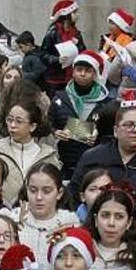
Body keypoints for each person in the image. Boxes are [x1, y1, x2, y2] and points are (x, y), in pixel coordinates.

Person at [0, 85, 60, 207]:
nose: (12, 125)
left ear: (32, 126)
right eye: (10, 120)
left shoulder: (48, 157)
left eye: (19, 121)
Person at [47, 50, 110, 178]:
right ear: (73, 72)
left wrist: (98, 136)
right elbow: (48, 123)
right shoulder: (60, 98)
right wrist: (55, 132)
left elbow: (111, 134)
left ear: (95, 74)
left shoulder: (105, 103)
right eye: (79, 69)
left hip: (94, 165)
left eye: (88, 71)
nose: (82, 74)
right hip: (64, 163)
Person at [72, 97, 136, 197]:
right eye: (128, 125)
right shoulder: (93, 157)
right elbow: (74, 194)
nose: (135, 130)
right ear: (115, 131)